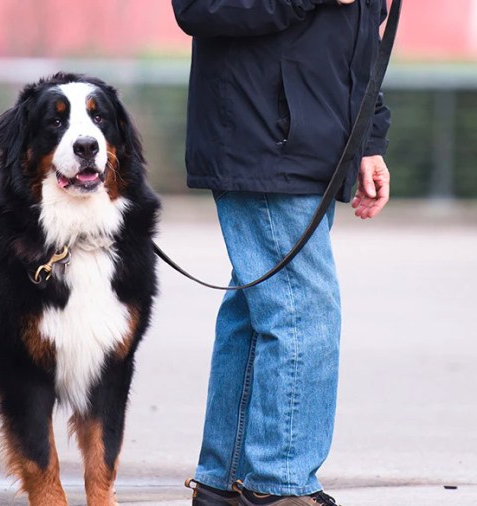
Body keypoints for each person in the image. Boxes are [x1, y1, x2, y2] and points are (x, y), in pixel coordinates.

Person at [171, 0, 392, 505]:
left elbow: (359, 42)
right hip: (262, 136)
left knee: (256, 311)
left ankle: (226, 480)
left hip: (309, 145)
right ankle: (279, 486)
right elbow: (198, 8)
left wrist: (370, 139)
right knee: (302, 311)